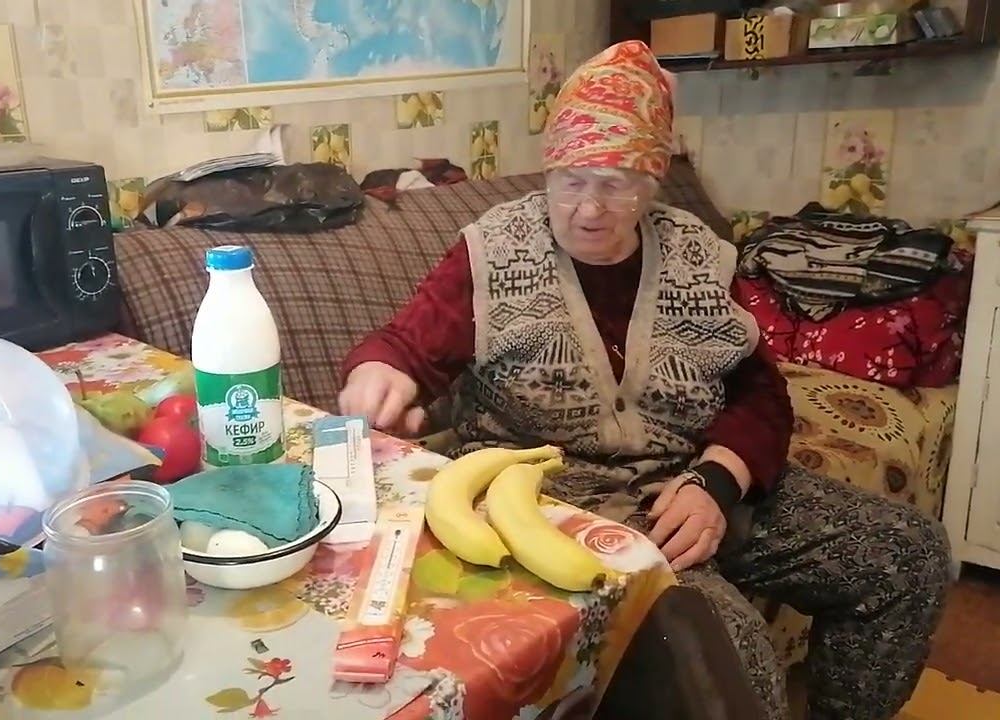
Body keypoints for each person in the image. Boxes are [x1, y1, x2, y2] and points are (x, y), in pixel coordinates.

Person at [337, 40, 949, 720]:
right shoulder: (494, 250)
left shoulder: (698, 256)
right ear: (549, 171)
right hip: (555, 497)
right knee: (734, 661)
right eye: (572, 180)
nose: (588, 209)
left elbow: (758, 391)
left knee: (907, 553)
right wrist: (379, 374)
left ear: (653, 183)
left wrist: (718, 482)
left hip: (691, 477)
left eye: (616, 183)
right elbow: (407, 347)